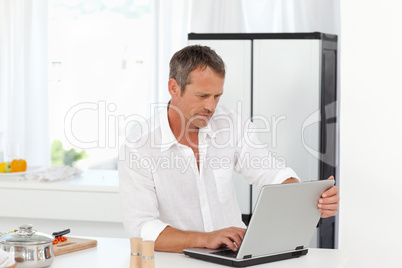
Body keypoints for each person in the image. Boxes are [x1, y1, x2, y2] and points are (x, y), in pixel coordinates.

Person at [118, 45, 339, 253]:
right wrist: (205, 238)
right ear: (174, 88)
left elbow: (267, 170)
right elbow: (141, 227)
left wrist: (308, 199)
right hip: (176, 260)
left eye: (217, 96)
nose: (211, 106)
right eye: (202, 96)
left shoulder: (230, 123)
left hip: (233, 255)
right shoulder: (139, 146)